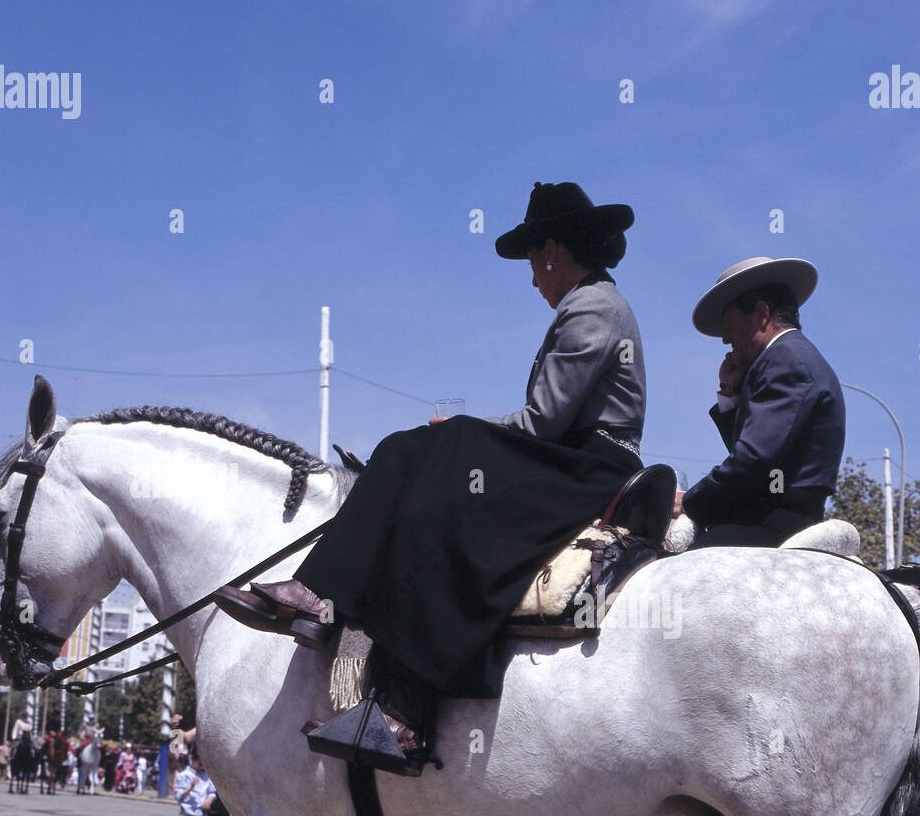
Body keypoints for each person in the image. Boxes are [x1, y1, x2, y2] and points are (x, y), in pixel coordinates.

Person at [215, 181, 646, 753]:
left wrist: (461, 437)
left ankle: (328, 607)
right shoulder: (592, 303)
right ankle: (351, 639)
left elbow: (544, 421)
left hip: (591, 465)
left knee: (420, 453)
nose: (533, 277)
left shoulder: (591, 305)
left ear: (552, 252)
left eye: (533, 263)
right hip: (576, 458)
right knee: (418, 458)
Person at [677, 256, 845, 547]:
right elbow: (757, 456)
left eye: (729, 324)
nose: (725, 338)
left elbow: (752, 461)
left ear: (762, 313)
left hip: (771, 522)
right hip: (773, 518)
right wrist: (730, 391)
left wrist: (688, 501)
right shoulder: (788, 356)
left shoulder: (784, 358)